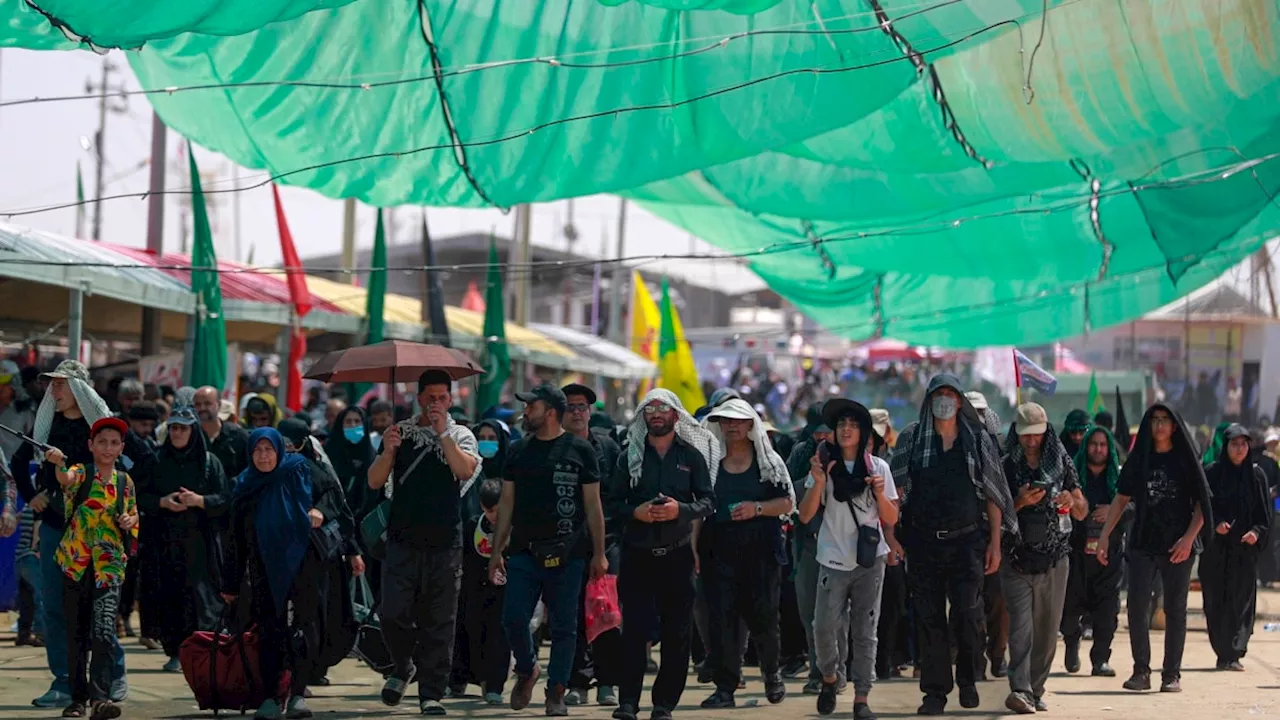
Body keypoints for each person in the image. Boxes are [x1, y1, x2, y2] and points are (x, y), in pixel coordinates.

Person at [889, 374, 1016, 716]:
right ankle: (934, 693)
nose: (944, 400)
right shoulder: (912, 439)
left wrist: (995, 543)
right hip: (923, 544)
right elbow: (894, 494)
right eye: (937, 394)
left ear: (959, 401)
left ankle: (969, 678)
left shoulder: (976, 440)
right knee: (929, 620)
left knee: (967, 614)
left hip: (967, 543)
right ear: (929, 399)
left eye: (950, 394)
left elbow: (992, 494)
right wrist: (891, 537)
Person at [11, 360, 125, 709]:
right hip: (56, 530)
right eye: (52, 385)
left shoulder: (101, 432)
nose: (53, 391)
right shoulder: (47, 427)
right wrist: (33, 496)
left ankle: (111, 675)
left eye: (60, 384)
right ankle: (63, 681)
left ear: (79, 390)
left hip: (97, 534)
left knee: (99, 609)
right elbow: (18, 463)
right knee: (55, 607)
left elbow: (133, 469)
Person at [488, 384, 608, 716]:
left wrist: (599, 552)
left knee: (564, 626)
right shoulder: (518, 451)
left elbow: (593, 505)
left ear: (551, 412)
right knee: (513, 619)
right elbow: (507, 502)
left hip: (569, 553)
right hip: (524, 551)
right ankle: (527, 669)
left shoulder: (580, 451)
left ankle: (556, 690)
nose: (526, 412)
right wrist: (497, 551)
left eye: (531, 406)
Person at [368, 370, 482, 716]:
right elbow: (375, 482)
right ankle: (403, 666)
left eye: (442, 398)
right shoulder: (399, 432)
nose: (435, 403)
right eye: (429, 397)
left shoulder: (462, 435)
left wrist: (442, 432)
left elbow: (464, 472)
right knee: (392, 613)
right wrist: (387, 451)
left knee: (440, 620)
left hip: (445, 542)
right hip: (402, 540)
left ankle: (431, 693)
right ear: (418, 398)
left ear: (451, 399)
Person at [603, 388, 716, 720]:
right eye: (649, 409)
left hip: (677, 558)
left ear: (675, 416)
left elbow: (708, 502)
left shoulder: (690, 456)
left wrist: (680, 510)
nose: (655, 414)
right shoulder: (629, 457)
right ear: (643, 418)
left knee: (677, 635)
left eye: (662, 409)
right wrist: (635, 512)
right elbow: (613, 505)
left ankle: (664, 704)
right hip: (637, 557)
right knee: (635, 633)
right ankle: (628, 703)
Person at [1096, 403, 1211, 693]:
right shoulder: (1141, 458)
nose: (1159, 425)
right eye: (1155, 420)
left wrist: (1188, 539)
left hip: (1178, 545)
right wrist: (1104, 536)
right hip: (1143, 542)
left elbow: (1202, 504)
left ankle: (1171, 674)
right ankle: (1141, 671)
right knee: (1136, 606)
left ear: (1174, 426)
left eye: (1165, 420)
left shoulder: (1185, 459)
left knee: (1175, 609)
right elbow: (1121, 500)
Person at [798, 399, 896, 720]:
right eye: (841, 425)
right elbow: (806, 515)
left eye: (853, 425)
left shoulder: (878, 468)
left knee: (865, 630)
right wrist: (819, 483)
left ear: (864, 431)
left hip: (870, 561)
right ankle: (829, 677)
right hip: (832, 558)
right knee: (823, 627)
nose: (846, 430)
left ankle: (861, 698)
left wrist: (880, 493)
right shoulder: (824, 465)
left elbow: (890, 517)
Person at [699, 398, 795, 710]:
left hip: (761, 550)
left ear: (751, 425)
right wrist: (694, 552)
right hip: (719, 549)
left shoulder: (769, 463)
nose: (732, 426)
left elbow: (787, 503)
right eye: (726, 421)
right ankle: (725, 687)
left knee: (764, 617)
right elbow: (700, 511)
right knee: (722, 620)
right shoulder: (710, 464)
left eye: (738, 420)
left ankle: (771, 674)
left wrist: (757, 509)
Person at [221, 428, 321, 720]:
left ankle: (299, 694)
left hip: (301, 567)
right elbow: (235, 539)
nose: (264, 456)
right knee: (269, 633)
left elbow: (333, 497)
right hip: (262, 571)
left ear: (280, 451)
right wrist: (230, 582)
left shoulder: (300, 470)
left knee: (300, 631)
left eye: (269, 450)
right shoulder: (245, 486)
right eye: (258, 451)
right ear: (250, 454)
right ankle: (270, 698)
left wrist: (319, 513)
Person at [46, 416, 139, 720]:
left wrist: (129, 521)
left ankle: (100, 698)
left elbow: (133, 516)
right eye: (102, 442)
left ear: (121, 447)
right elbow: (64, 480)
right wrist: (58, 463)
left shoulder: (125, 481)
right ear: (91, 445)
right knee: (75, 634)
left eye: (114, 443)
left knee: (102, 631)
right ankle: (76, 700)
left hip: (109, 567)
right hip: (75, 564)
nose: (108, 448)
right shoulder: (81, 472)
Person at [999, 404, 1085, 714]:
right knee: (1021, 629)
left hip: (1055, 558)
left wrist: (1068, 499)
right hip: (1016, 558)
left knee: (1047, 630)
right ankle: (1020, 689)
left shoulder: (1062, 461)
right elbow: (992, 511)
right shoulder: (1005, 465)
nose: (1031, 441)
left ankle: (1035, 689)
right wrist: (1019, 502)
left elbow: (1082, 508)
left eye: (1036, 434)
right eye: (1026, 435)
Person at [135, 407, 230, 672]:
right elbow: (140, 496)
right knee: (170, 596)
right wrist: (163, 502)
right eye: (174, 428)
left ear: (193, 431)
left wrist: (200, 501)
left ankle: (203, 650)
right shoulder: (157, 461)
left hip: (202, 543)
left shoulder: (209, 462)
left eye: (183, 428)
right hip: (165, 544)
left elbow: (225, 499)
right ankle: (176, 650)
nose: (177, 433)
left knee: (202, 598)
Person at [561, 383, 623, 707]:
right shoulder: (553, 448)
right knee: (570, 615)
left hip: (607, 541)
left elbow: (618, 496)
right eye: (569, 406)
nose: (576, 412)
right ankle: (578, 682)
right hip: (565, 544)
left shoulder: (608, 448)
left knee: (606, 610)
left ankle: (608, 682)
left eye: (581, 406)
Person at [1201, 424, 1271, 671]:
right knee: (1216, 600)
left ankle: (1234, 651)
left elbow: (1264, 515)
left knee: (1241, 602)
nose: (1240, 449)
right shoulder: (1212, 474)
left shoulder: (1256, 476)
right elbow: (1202, 509)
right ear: (1226, 446)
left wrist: (1256, 532)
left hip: (1244, 551)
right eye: (1234, 444)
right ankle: (1222, 652)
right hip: (1216, 551)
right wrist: (1216, 525)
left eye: (1244, 444)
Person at [1060, 425, 1126, 677]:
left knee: (1107, 612)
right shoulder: (1072, 476)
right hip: (1076, 554)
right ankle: (1071, 639)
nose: (1098, 449)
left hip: (1109, 555)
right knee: (1068, 610)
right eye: (1093, 444)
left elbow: (1134, 509)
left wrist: (1113, 511)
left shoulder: (1119, 478)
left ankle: (1100, 659)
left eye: (1102, 444)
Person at [786, 406, 836, 695]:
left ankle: (835, 669)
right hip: (807, 542)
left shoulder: (847, 454)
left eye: (826, 429)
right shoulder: (800, 453)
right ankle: (818, 671)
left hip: (842, 542)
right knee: (810, 611)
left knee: (836, 613)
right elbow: (788, 494)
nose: (821, 435)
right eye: (816, 428)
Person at [450, 478, 510, 704]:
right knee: (465, 634)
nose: (494, 515)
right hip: (472, 592)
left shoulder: (516, 528)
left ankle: (494, 686)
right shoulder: (472, 526)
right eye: (490, 510)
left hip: (503, 592)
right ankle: (457, 681)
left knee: (498, 639)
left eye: (499, 510)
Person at [194, 386, 250, 483]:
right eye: (198, 404)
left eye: (207, 404)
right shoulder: (190, 437)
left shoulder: (238, 437)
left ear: (218, 405)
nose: (202, 408)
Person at [0, 359, 36, 466]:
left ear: (15, 383)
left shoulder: (25, 411)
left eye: (5, 383)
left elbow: (33, 442)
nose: (0, 387)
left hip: (13, 469)